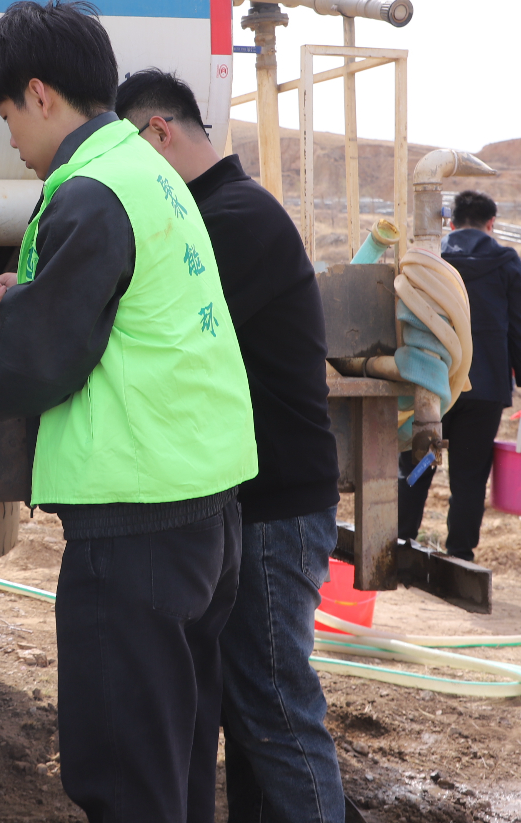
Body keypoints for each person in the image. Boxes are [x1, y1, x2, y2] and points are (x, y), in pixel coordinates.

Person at [0, 1, 257, 822]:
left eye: (7, 115)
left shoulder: (91, 190)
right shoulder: (143, 170)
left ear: (38, 94)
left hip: (136, 519)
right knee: (174, 756)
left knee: (122, 772)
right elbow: (123, 302)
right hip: (203, 507)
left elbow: (50, 356)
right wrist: (33, 291)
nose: (10, 139)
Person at [115, 70, 344, 823]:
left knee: (273, 707)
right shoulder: (220, 213)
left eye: (128, 156)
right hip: (258, 502)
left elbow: (140, 315)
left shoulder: (231, 220)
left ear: (158, 133)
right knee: (251, 712)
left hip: (276, 509)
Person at [399, 190, 521, 562]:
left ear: (451, 223)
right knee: (469, 474)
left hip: (432, 383)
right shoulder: (507, 262)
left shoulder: (430, 258)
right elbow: (520, 328)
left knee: (419, 463)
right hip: (485, 390)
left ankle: (400, 542)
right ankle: (460, 554)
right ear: (491, 224)